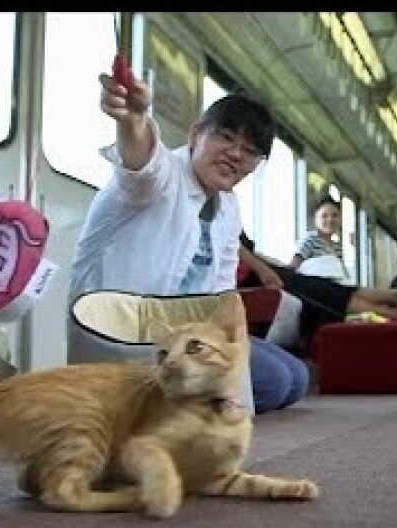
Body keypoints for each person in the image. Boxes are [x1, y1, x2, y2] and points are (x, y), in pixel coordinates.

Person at [68, 72, 307, 415]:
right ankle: (151, 406)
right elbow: (142, 168)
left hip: (191, 336)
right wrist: (133, 121)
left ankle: (181, 400)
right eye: (226, 137)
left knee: (297, 377)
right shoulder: (163, 175)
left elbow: (222, 294)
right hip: (132, 333)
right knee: (276, 381)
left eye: (250, 151)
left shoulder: (229, 206)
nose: (235, 154)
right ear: (196, 134)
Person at [237, 232, 397, 349]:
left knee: (324, 286)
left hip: (249, 270)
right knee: (318, 294)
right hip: (243, 278)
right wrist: (263, 268)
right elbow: (233, 245)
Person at [288, 195, 343, 272]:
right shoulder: (309, 241)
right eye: (324, 216)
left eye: (335, 215)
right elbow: (293, 267)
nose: (330, 219)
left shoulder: (339, 248)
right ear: (315, 219)